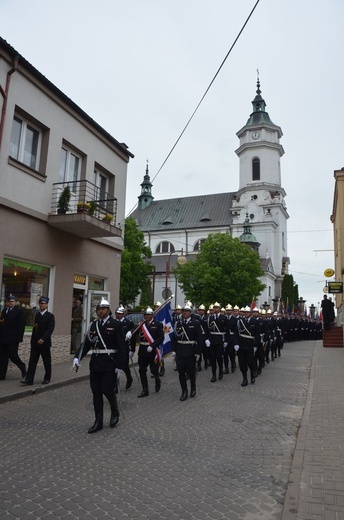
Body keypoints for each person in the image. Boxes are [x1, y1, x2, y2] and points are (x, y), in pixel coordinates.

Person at [72, 298, 127, 434]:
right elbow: (86, 344)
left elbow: (122, 347)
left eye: (102, 309)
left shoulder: (116, 325)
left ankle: (114, 412)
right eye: (98, 309)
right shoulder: (94, 325)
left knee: (108, 391)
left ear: (108, 310)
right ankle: (98, 421)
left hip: (109, 363)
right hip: (95, 363)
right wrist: (76, 357)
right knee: (96, 393)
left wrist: (120, 365)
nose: (100, 311)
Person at [21, 296, 55, 386]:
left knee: (46, 361)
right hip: (35, 343)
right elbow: (35, 328)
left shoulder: (50, 316)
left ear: (46, 305)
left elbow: (50, 329)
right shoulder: (37, 315)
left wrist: (43, 339)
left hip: (44, 343)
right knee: (32, 361)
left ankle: (47, 378)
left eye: (43, 303)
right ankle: (29, 380)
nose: (41, 305)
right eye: (40, 303)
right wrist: (33, 340)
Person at [172, 303, 203, 401]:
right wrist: (174, 350)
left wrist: (198, 352)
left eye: (186, 311)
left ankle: (193, 387)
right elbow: (174, 338)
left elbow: (200, 339)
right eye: (183, 311)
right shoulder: (178, 323)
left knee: (191, 372)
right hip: (180, 351)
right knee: (181, 372)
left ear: (190, 313)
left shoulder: (196, 323)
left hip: (190, 351)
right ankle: (184, 391)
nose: (184, 313)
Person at [136, 307, 164, 398]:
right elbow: (135, 331)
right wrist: (130, 332)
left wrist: (152, 346)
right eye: (145, 315)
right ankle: (145, 389)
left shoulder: (158, 324)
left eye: (148, 315)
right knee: (142, 370)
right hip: (143, 350)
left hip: (153, 350)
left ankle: (157, 378)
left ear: (152, 315)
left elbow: (161, 338)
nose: (147, 316)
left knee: (154, 370)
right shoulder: (142, 325)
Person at [0, 294, 26, 380]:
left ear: (15, 302)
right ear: (6, 303)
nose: (10, 303)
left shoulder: (19, 311)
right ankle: (2, 375)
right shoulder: (4, 311)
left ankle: (22, 367)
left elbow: (21, 326)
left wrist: (19, 338)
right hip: (3, 338)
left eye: (12, 301)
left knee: (13, 355)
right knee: (3, 357)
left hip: (13, 338)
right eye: (9, 301)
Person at [114, 305, 135, 389]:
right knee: (114, 366)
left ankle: (129, 377)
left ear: (123, 314)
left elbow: (133, 335)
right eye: (117, 313)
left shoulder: (128, 322)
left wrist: (132, 350)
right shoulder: (114, 322)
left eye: (120, 313)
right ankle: (115, 385)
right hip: (115, 347)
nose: (118, 315)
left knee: (124, 366)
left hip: (124, 347)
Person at [206, 302, 227, 382]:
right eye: (214, 308)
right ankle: (214, 374)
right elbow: (208, 330)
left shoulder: (223, 318)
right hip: (212, 340)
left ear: (219, 309)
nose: (215, 309)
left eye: (217, 308)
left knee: (219, 357)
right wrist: (207, 339)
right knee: (213, 358)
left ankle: (220, 371)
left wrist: (226, 340)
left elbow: (226, 330)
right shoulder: (210, 318)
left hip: (220, 340)